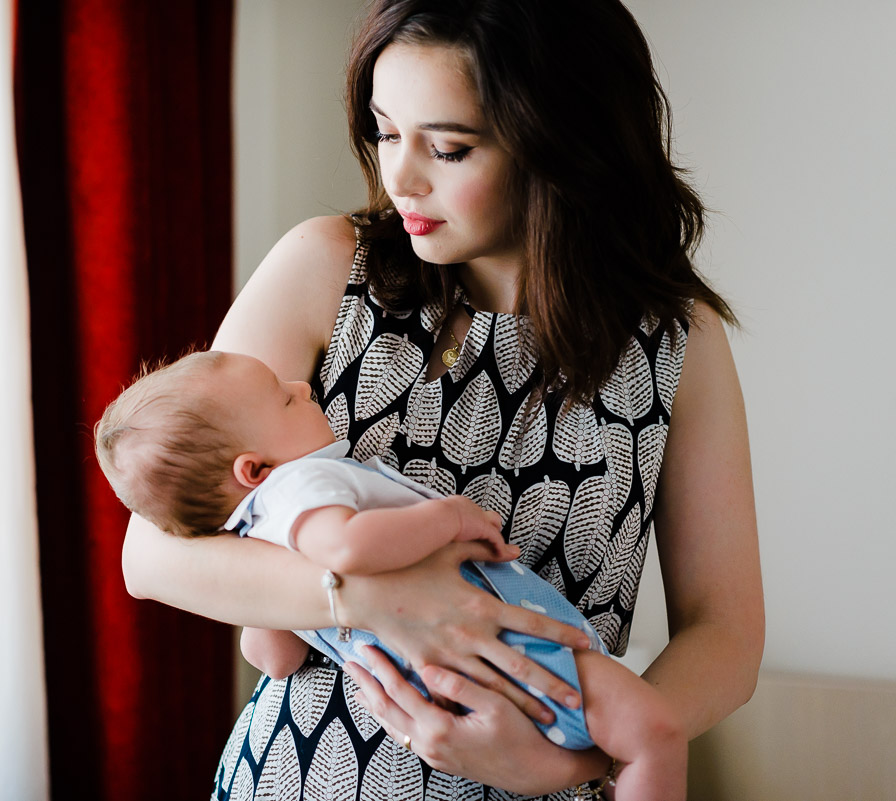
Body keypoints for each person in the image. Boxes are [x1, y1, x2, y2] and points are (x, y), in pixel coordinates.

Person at [120, 1, 763, 799]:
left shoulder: (675, 339)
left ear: (564, 143)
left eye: (449, 147)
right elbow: (150, 554)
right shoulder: (326, 266)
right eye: (387, 132)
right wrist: (371, 596)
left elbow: (727, 634)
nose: (401, 178)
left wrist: (577, 762)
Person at [98, 349, 687, 799]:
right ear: (254, 469)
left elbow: (274, 658)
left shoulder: (256, 535)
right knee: (654, 735)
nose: (303, 386)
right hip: (512, 651)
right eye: (285, 400)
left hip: (432, 691)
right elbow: (349, 548)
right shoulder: (302, 484)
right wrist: (448, 516)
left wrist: (279, 609)